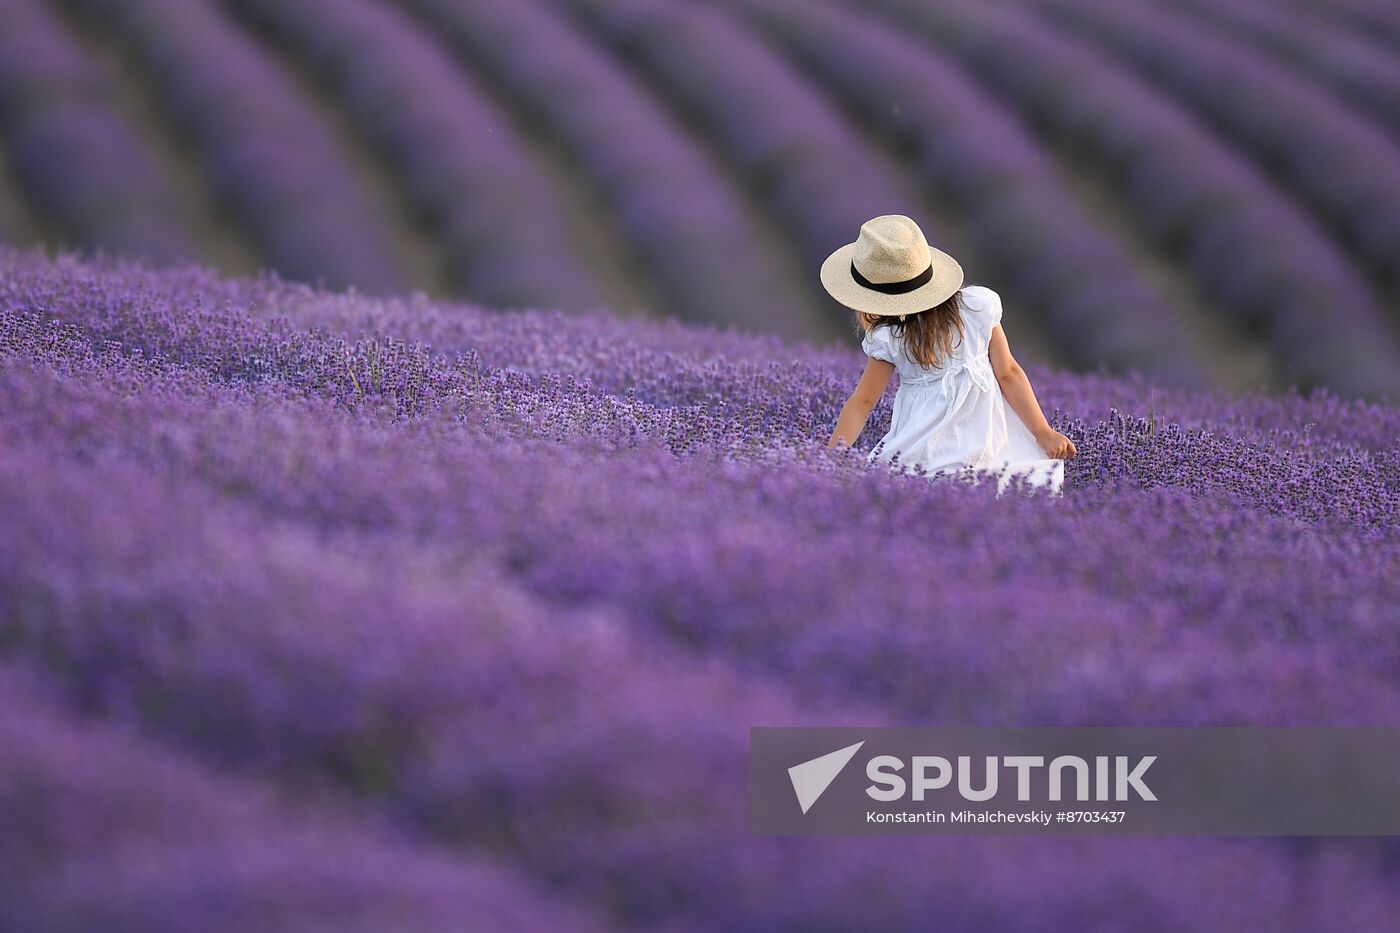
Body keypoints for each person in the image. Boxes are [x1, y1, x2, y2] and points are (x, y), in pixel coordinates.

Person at [821, 214, 1076, 494]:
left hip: (921, 450)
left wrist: (830, 459)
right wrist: (1042, 431)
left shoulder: (890, 338)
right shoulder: (977, 309)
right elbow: (1008, 372)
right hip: (985, 444)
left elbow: (863, 402)